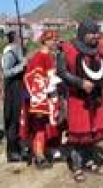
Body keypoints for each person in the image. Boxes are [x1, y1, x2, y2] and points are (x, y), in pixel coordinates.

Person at [57, 20, 103, 182]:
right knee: (78, 134)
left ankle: (89, 161)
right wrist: (80, 83)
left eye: (96, 33)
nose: (95, 36)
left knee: (92, 132)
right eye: (92, 33)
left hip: (95, 98)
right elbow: (61, 71)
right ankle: (77, 166)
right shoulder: (68, 49)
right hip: (77, 99)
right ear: (82, 33)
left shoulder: (98, 49)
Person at [23, 30, 61, 169]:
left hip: (46, 97)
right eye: (54, 40)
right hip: (40, 99)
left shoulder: (47, 56)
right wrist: (41, 101)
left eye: (56, 40)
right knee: (39, 127)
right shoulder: (41, 56)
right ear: (46, 41)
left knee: (43, 127)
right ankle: (39, 157)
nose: (56, 42)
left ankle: (41, 153)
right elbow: (36, 79)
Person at [2, 28, 27, 162]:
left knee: (18, 120)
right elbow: (6, 72)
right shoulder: (10, 52)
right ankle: (12, 153)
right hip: (12, 90)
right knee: (13, 120)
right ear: (14, 37)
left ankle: (18, 149)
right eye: (19, 36)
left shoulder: (17, 49)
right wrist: (22, 66)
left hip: (18, 88)